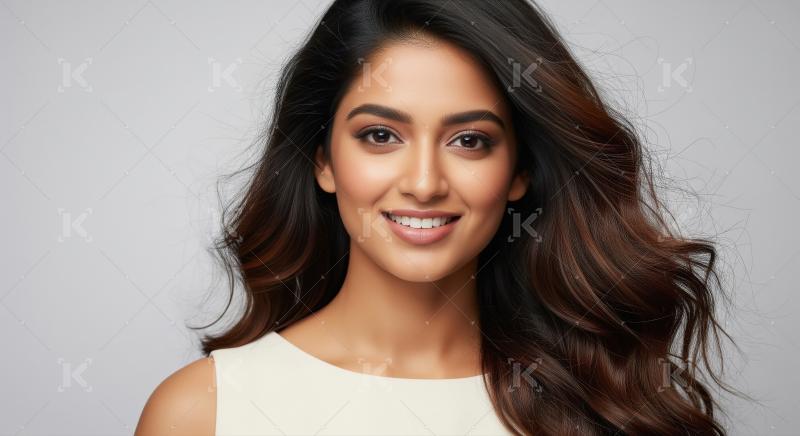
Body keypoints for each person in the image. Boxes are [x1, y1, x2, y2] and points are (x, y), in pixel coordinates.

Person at [135, 0, 743, 434]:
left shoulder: (606, 406)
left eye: (469, 141)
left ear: (519, 172)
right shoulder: (204, 413)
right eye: (380, 135)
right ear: (323, 159)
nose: (424, 183)